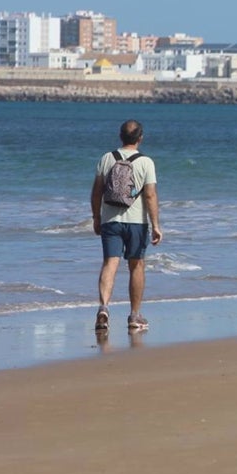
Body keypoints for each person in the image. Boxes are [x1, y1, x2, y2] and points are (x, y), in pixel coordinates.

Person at [91, 119, 162, 331]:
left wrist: (96, 217)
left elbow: (96, 192)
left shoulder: (107, 158)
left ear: (120, 136)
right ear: (140, 138)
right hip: (136, 223)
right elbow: (149, 195)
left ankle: (103, 307)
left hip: (110, 220)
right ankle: (134, 316)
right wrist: (156, 224)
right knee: (136, 265)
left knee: (109, 264)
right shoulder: (146, 162)